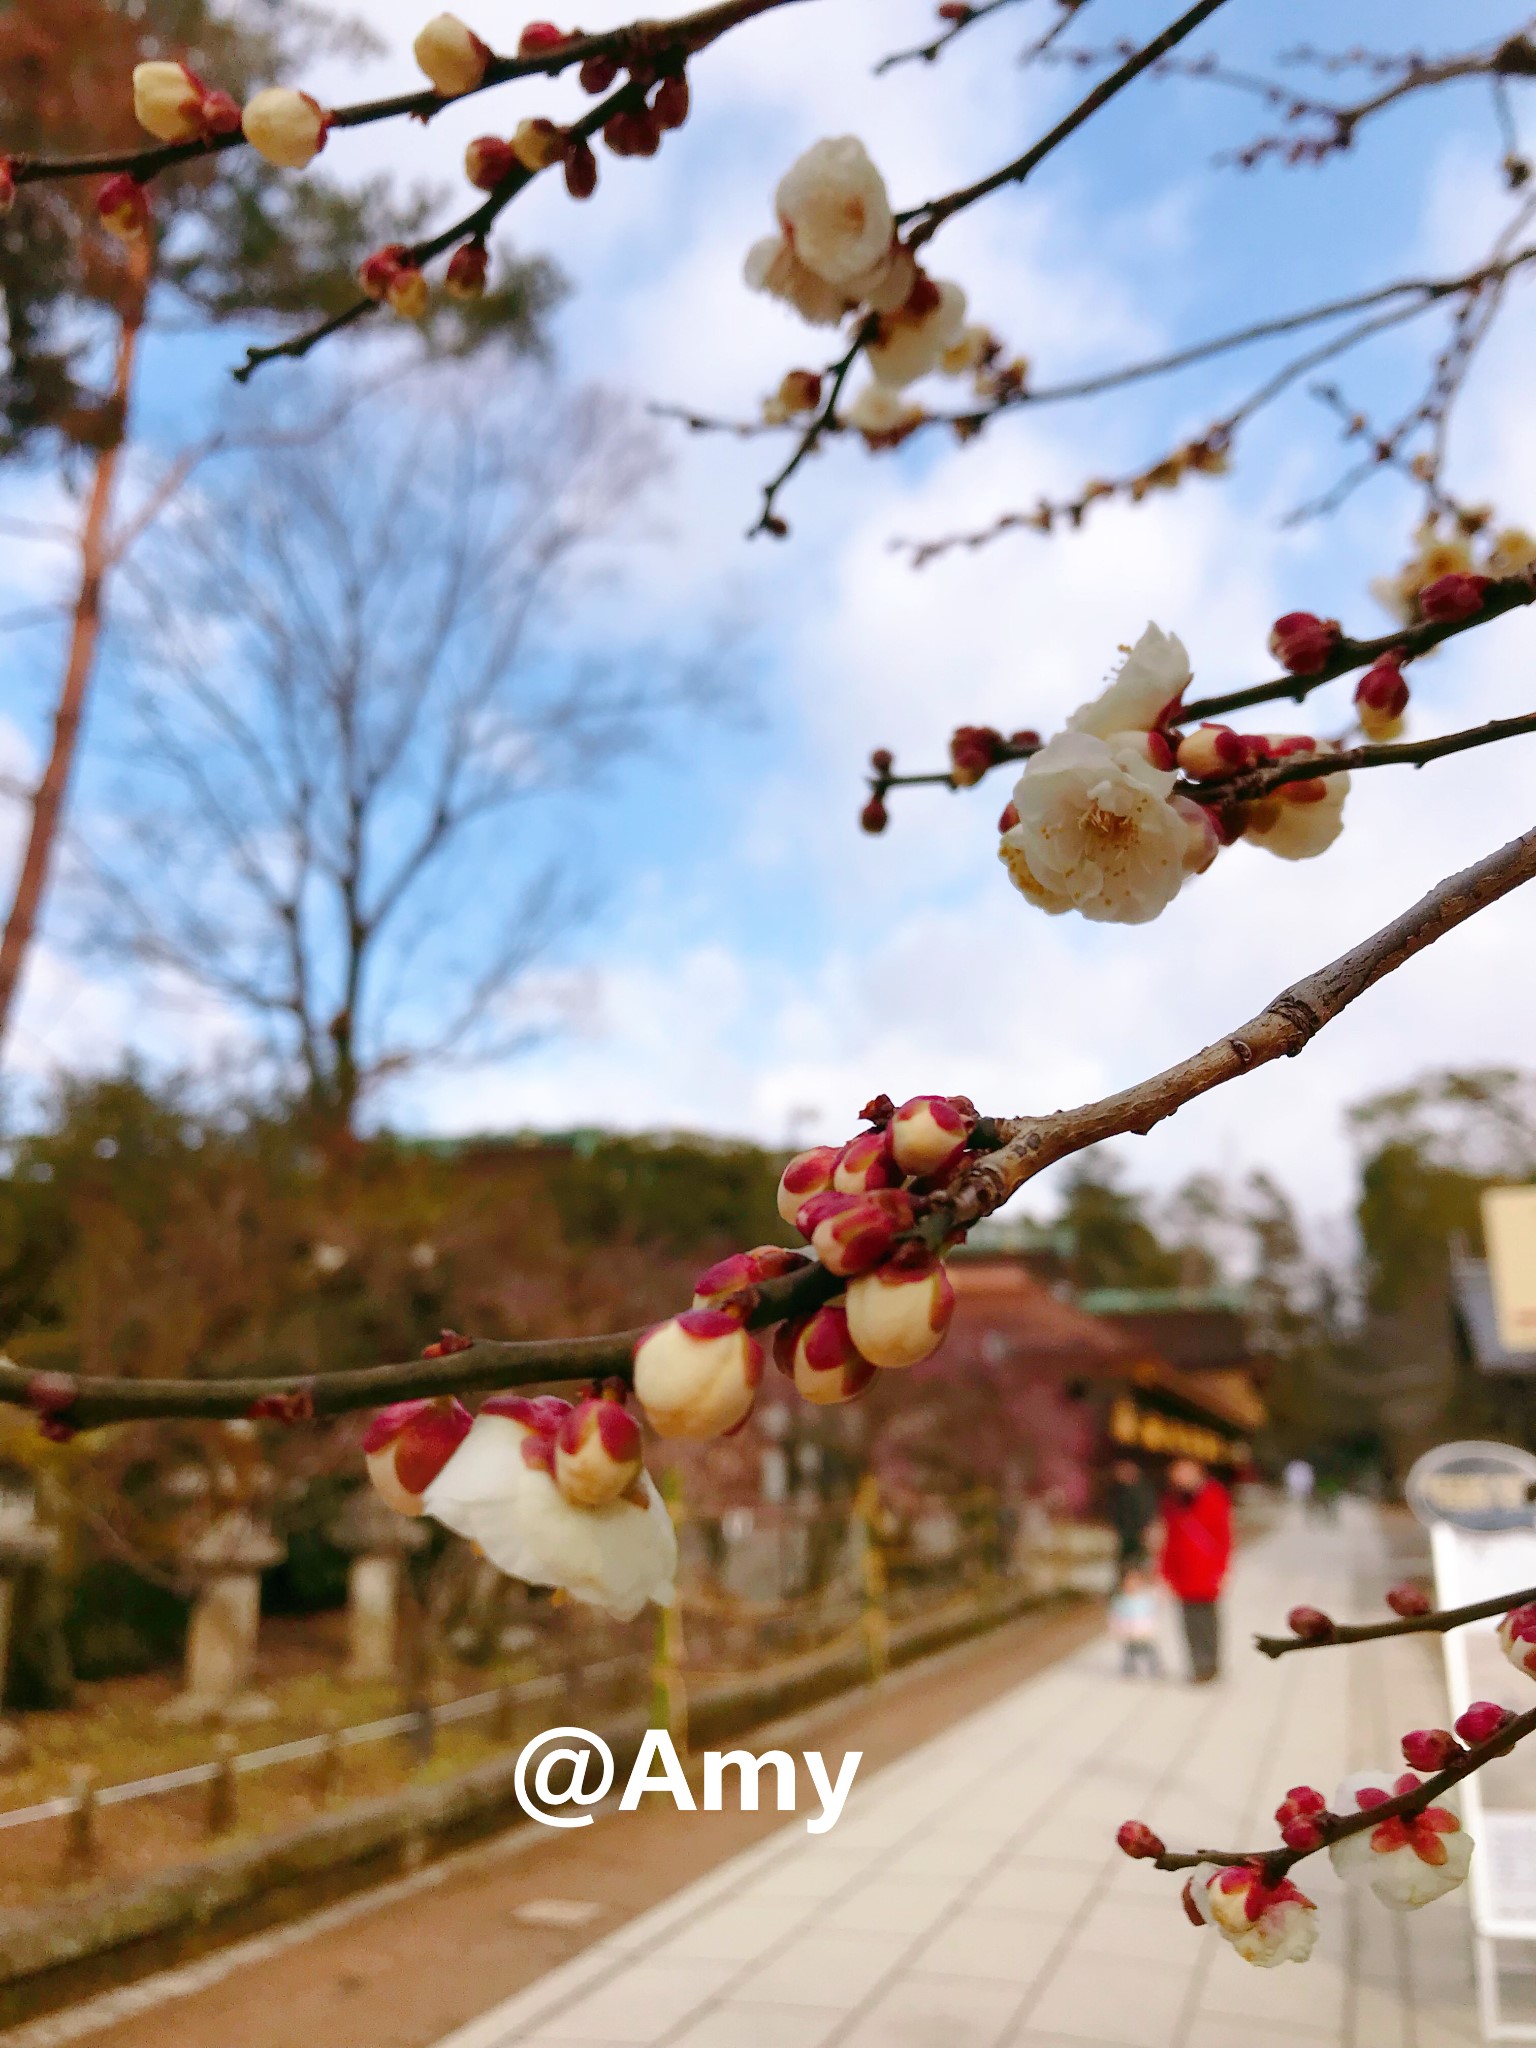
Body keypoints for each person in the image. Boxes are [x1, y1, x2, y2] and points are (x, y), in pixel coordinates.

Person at [1158, 1457, 1232, 1683]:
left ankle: (1211, 1663)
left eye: (1185, 1471)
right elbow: (1168, 1539)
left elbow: (1224, 1536)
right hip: (1182, 1570)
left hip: (1207, 1569)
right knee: (1189, 1621)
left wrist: (1223, 1569)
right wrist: (1165, 1572)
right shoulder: (1172, 1501)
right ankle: (1198, 1666)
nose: (1181, 1477)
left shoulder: (1214, 1496)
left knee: (1208, 1619)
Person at [1109, 1563, 1162, 1678]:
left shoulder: (1146, 1599)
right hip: (1128, 1632)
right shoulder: (1120, 1601)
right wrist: (1116, 1629)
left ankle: (1155, 1668)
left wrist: (1152, 1627)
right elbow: (1115, 1616)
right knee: (1129, 1652)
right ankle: (1129, 1669)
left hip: (1144, 1632)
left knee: (1150, 1651)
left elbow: (1153, 1612)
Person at [1106, 1457, 1159, 1570]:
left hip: (1138, 1533)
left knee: (1136, 1563)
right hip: (1126, 1532)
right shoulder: (1120, 1490)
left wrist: (1146, 1528)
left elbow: (1147, 1510)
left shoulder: (1142, 1490)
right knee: (1126, 1562)